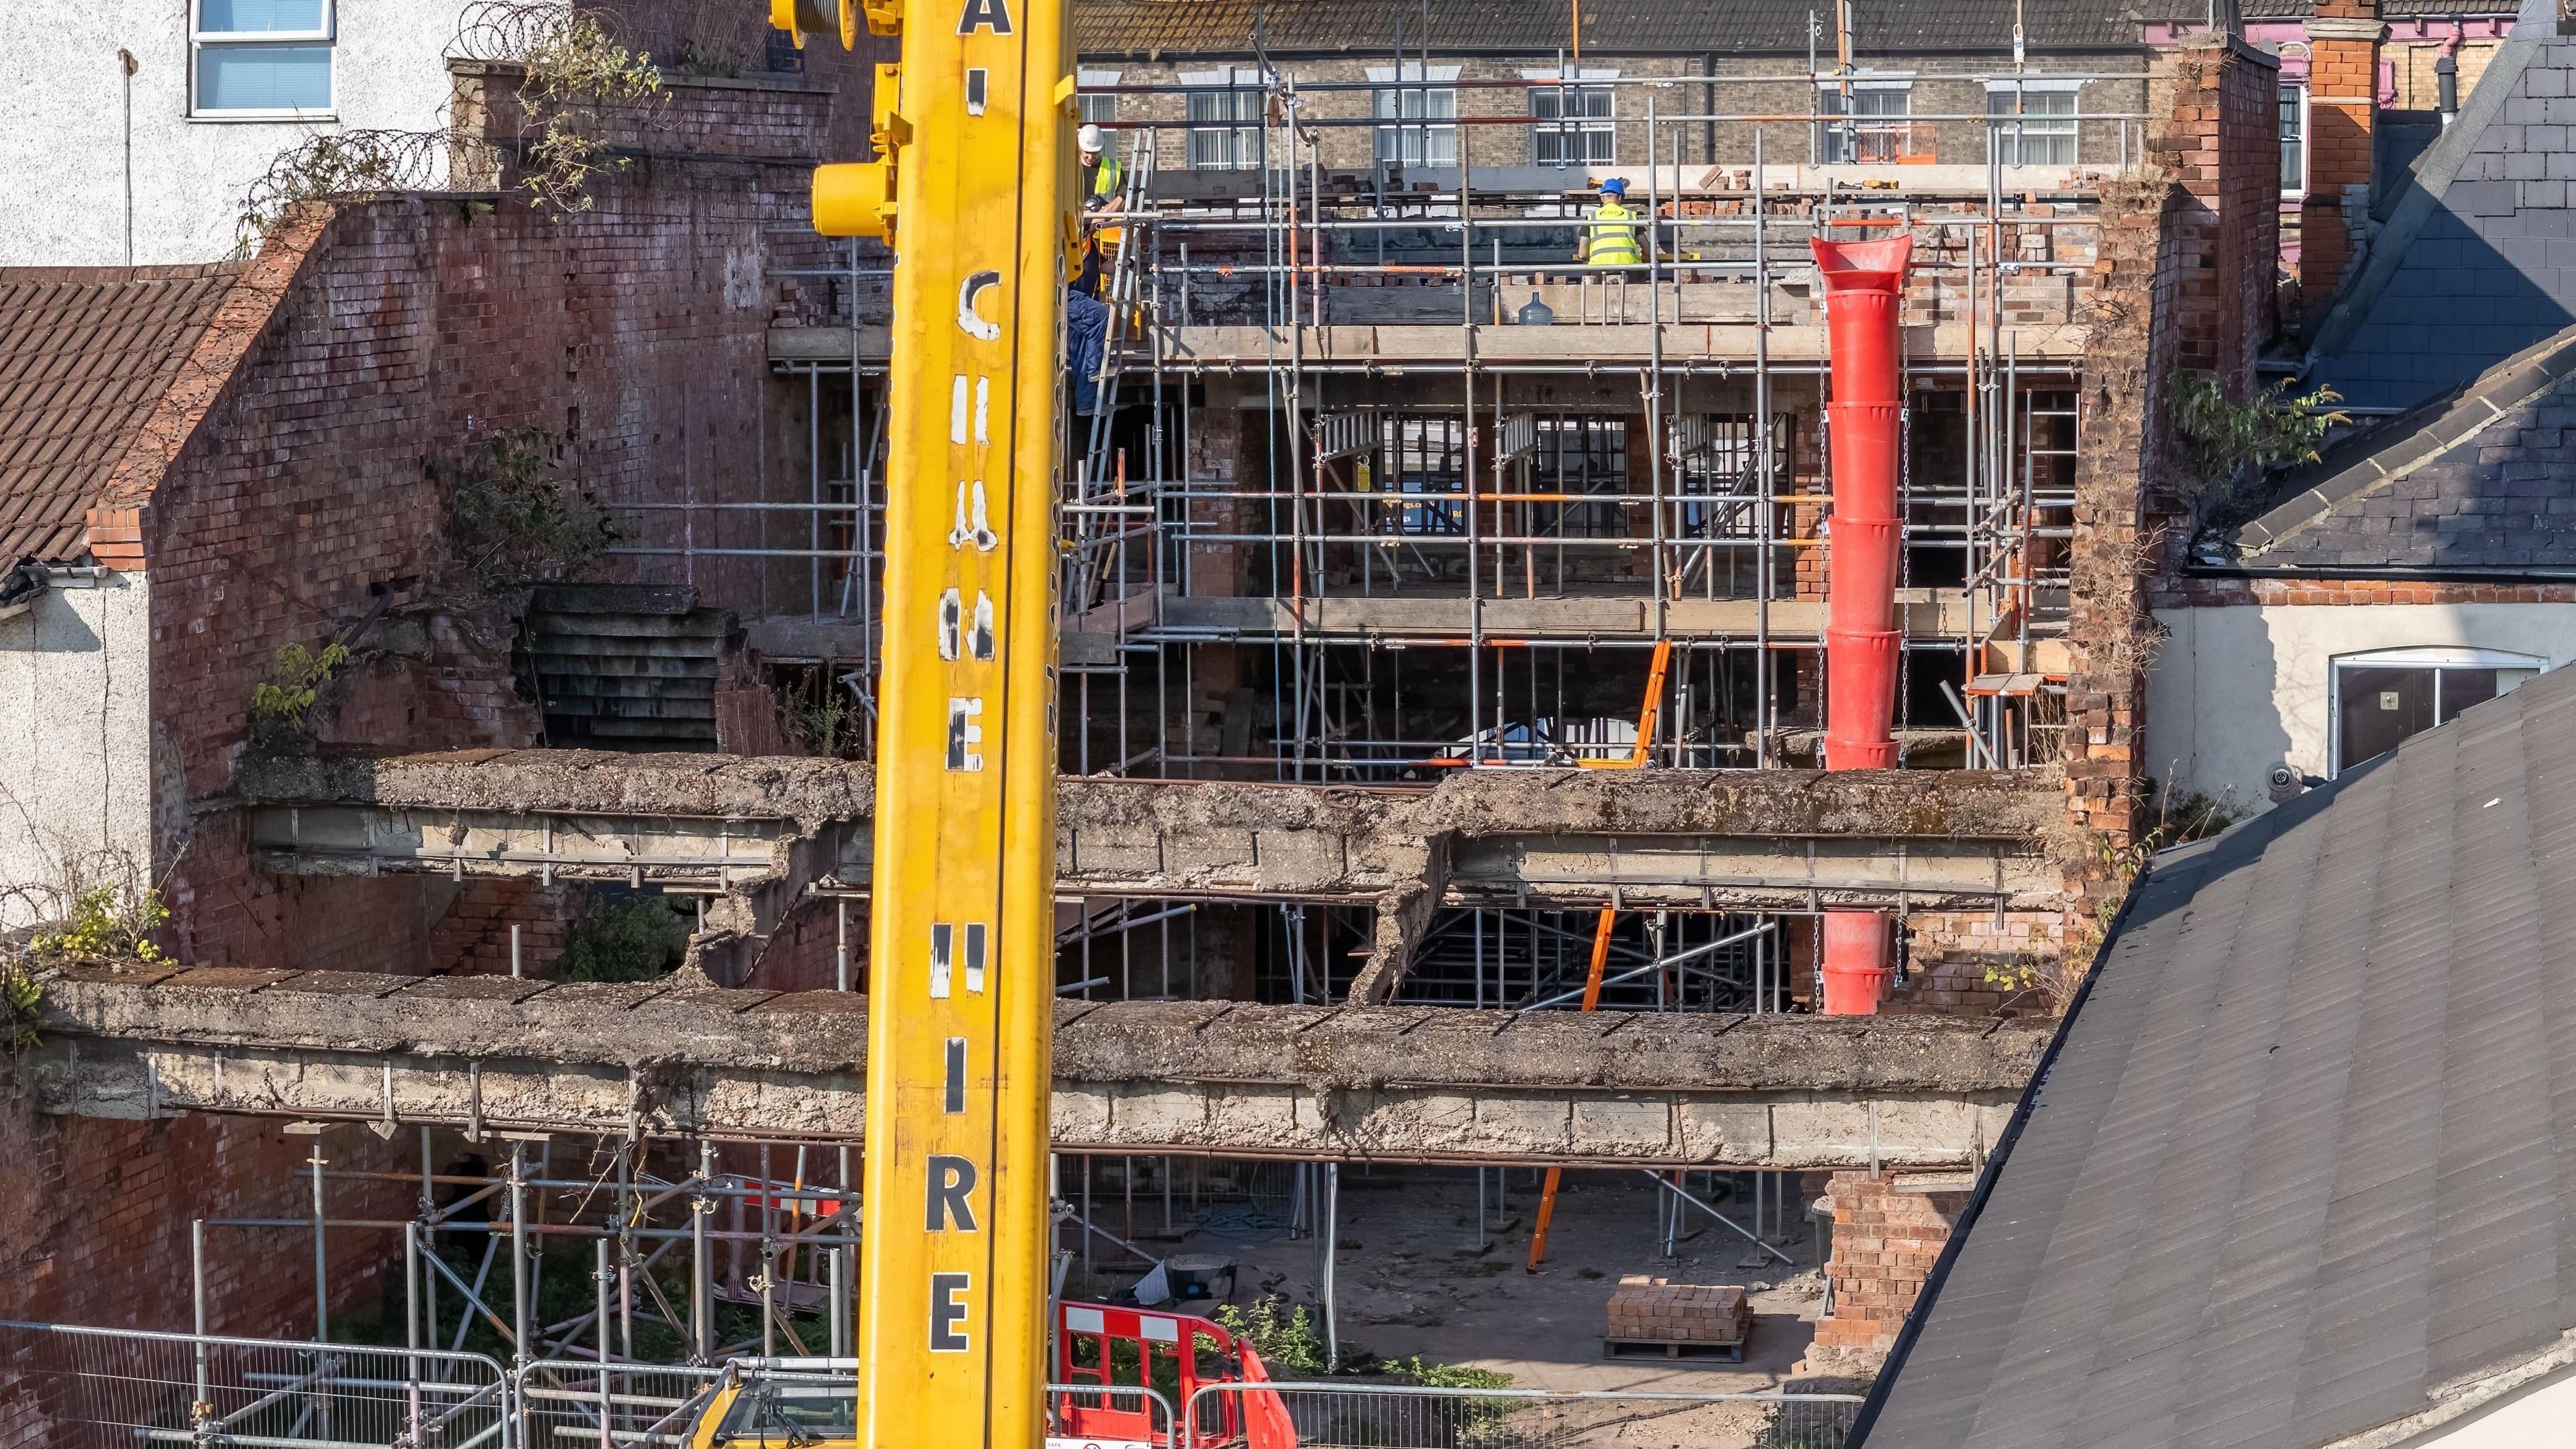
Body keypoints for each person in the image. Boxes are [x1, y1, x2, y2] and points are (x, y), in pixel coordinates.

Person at [1574, 176, 1642, 268]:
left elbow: (1582, 254)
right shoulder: (1631, 216)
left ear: (1602, 198)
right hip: (1630, 268)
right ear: (1621, 197)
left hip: (1599, 269)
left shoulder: (1592, 218)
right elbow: (1648, 250)